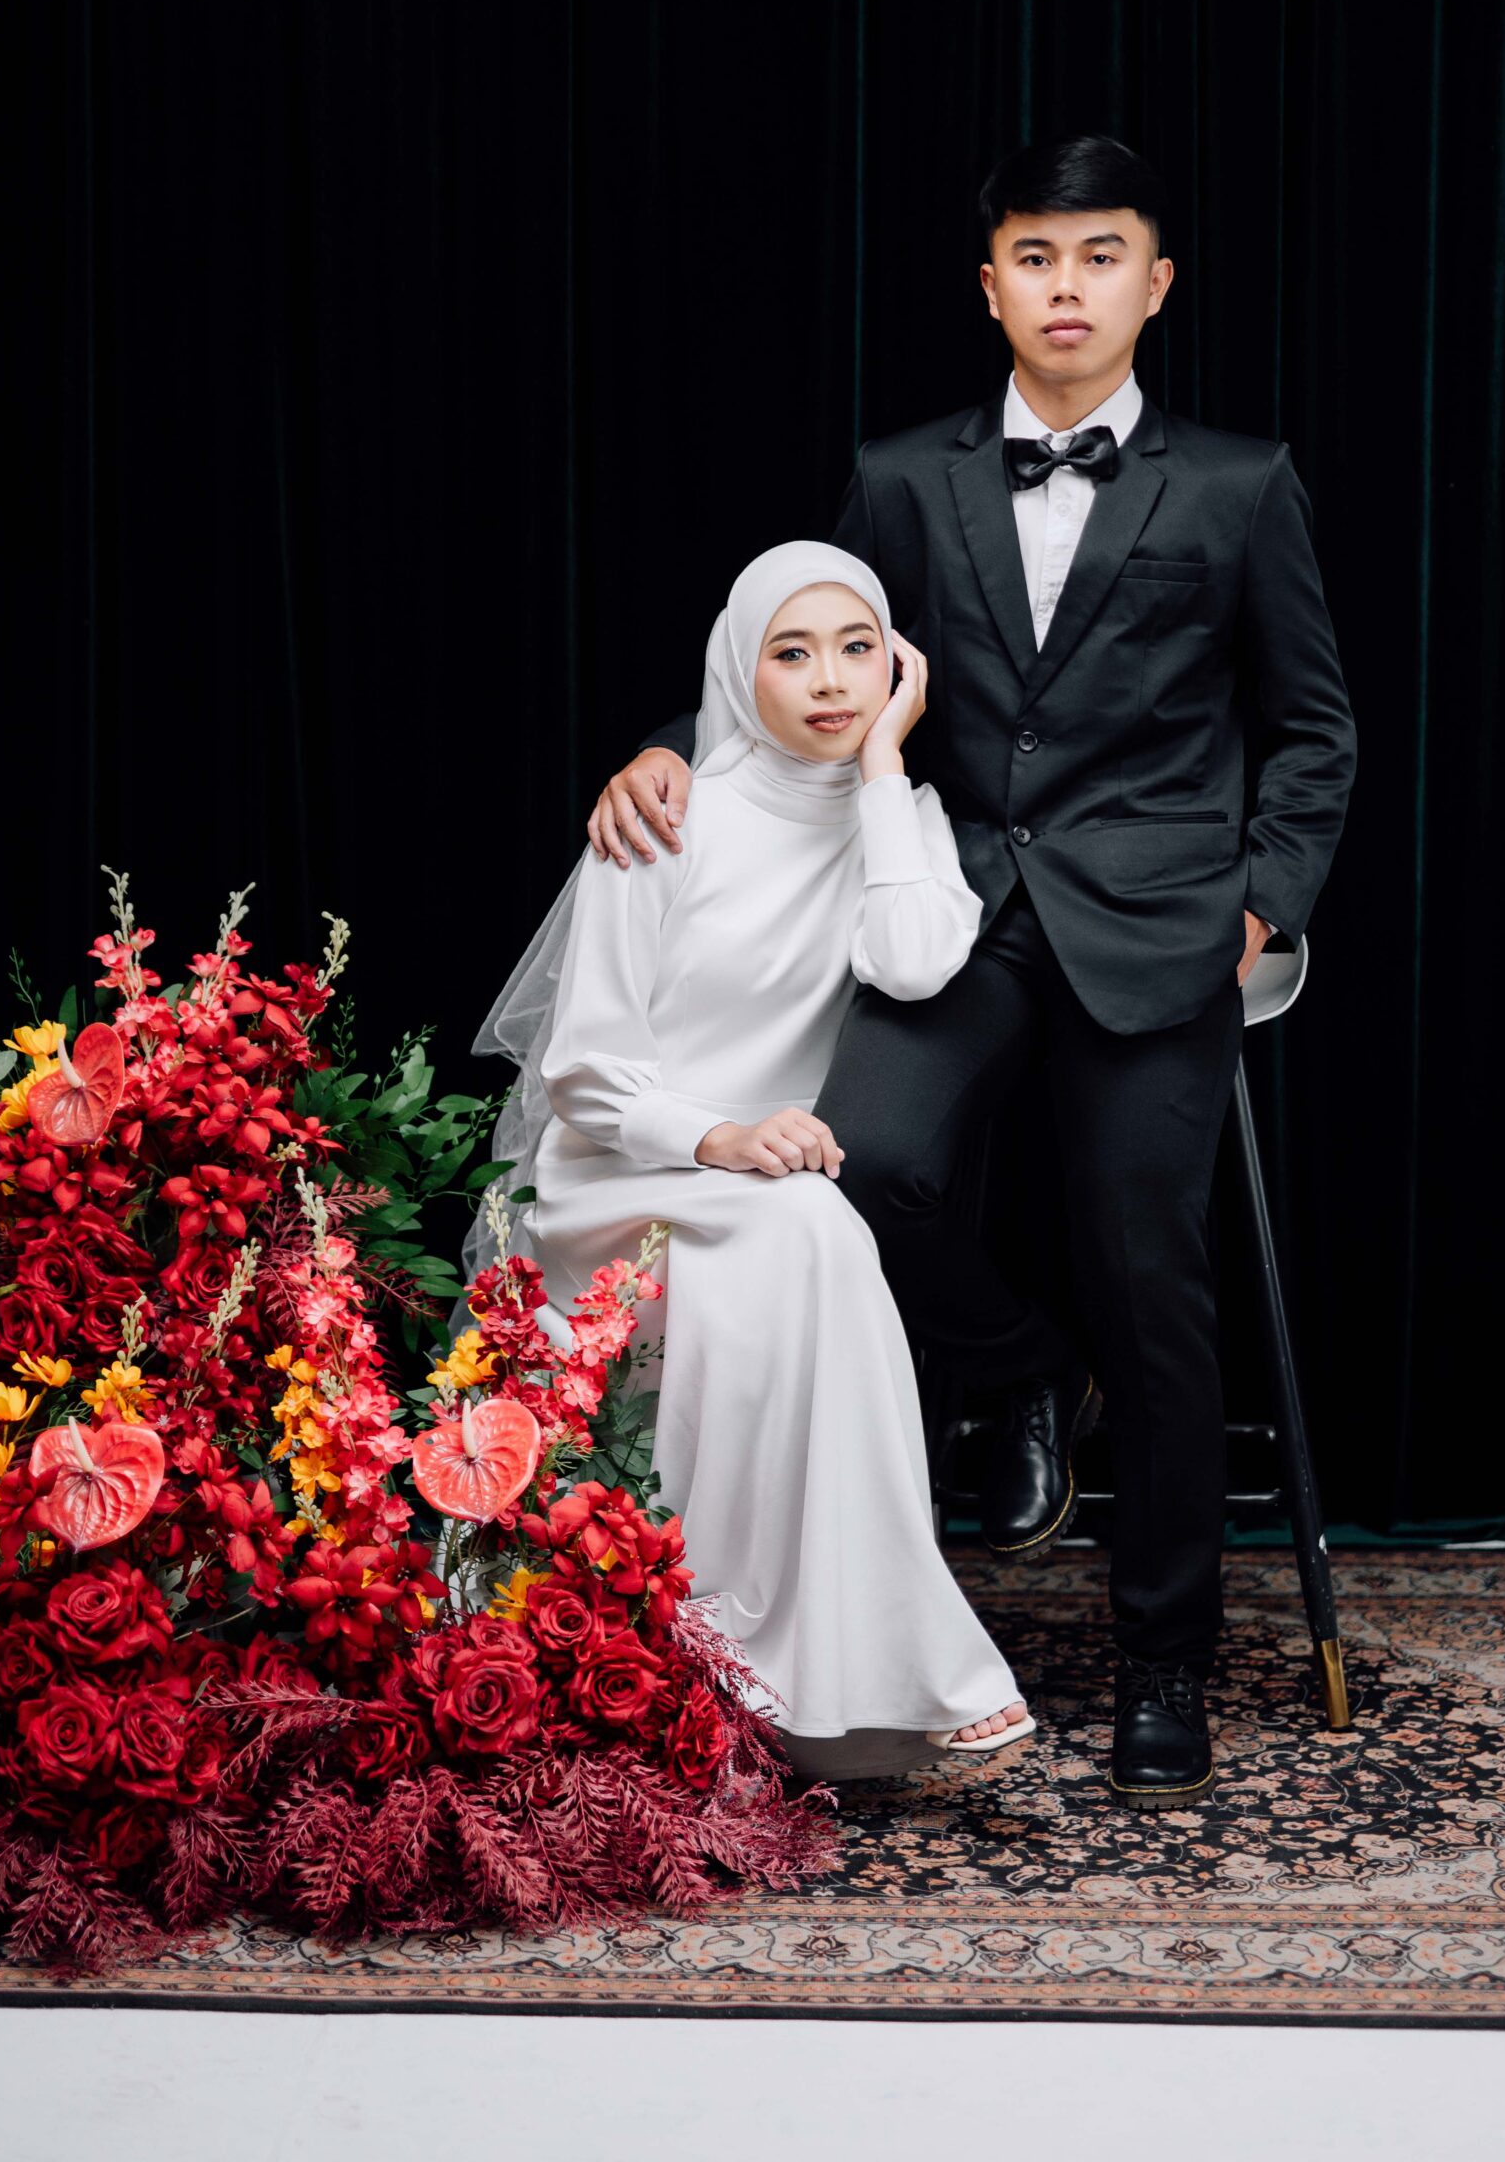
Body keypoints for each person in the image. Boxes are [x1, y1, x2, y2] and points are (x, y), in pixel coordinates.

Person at [587, 134, 1357, 1807]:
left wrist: (1259, 907)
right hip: (951, 905)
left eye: (1099, 255)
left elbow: (1310, 726)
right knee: (858, 1173)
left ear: (1153, 283)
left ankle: (1161, 1662)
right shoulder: (900, 475)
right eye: (1033, 256)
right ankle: (1016, 1365)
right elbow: (797, 655)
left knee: (1151, 1277)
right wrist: (664, 747)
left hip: (1157, 927)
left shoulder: (1239, 484)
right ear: (989, 284)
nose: (1065, 287)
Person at [479, 540, 1033, 1759]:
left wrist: (883, 770)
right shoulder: (669, 814)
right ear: (740, 669)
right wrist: (717, 1135)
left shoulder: (903, 823)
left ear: (896, 668)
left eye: (857, 649)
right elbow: (582, 1072)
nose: (829, 680)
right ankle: (776, 1644)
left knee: (807, 1226)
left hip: (771, 1178)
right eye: (791, 653)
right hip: (624, 1169)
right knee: (814, 1225)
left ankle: (803, 1655)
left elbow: (913, 962)